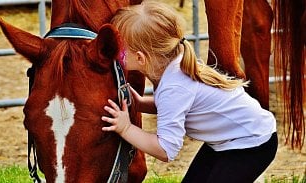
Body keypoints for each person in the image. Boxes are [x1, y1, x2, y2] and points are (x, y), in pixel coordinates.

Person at [101, 1, 278, 182]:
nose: (115, 55)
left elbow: (165, 150)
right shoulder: (173, 67)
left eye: (119, 51)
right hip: (233, 139)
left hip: (252, 144)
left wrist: (126, 128)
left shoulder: (174, 87)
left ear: (140, 57)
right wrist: (140, 103)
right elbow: (177, 106)